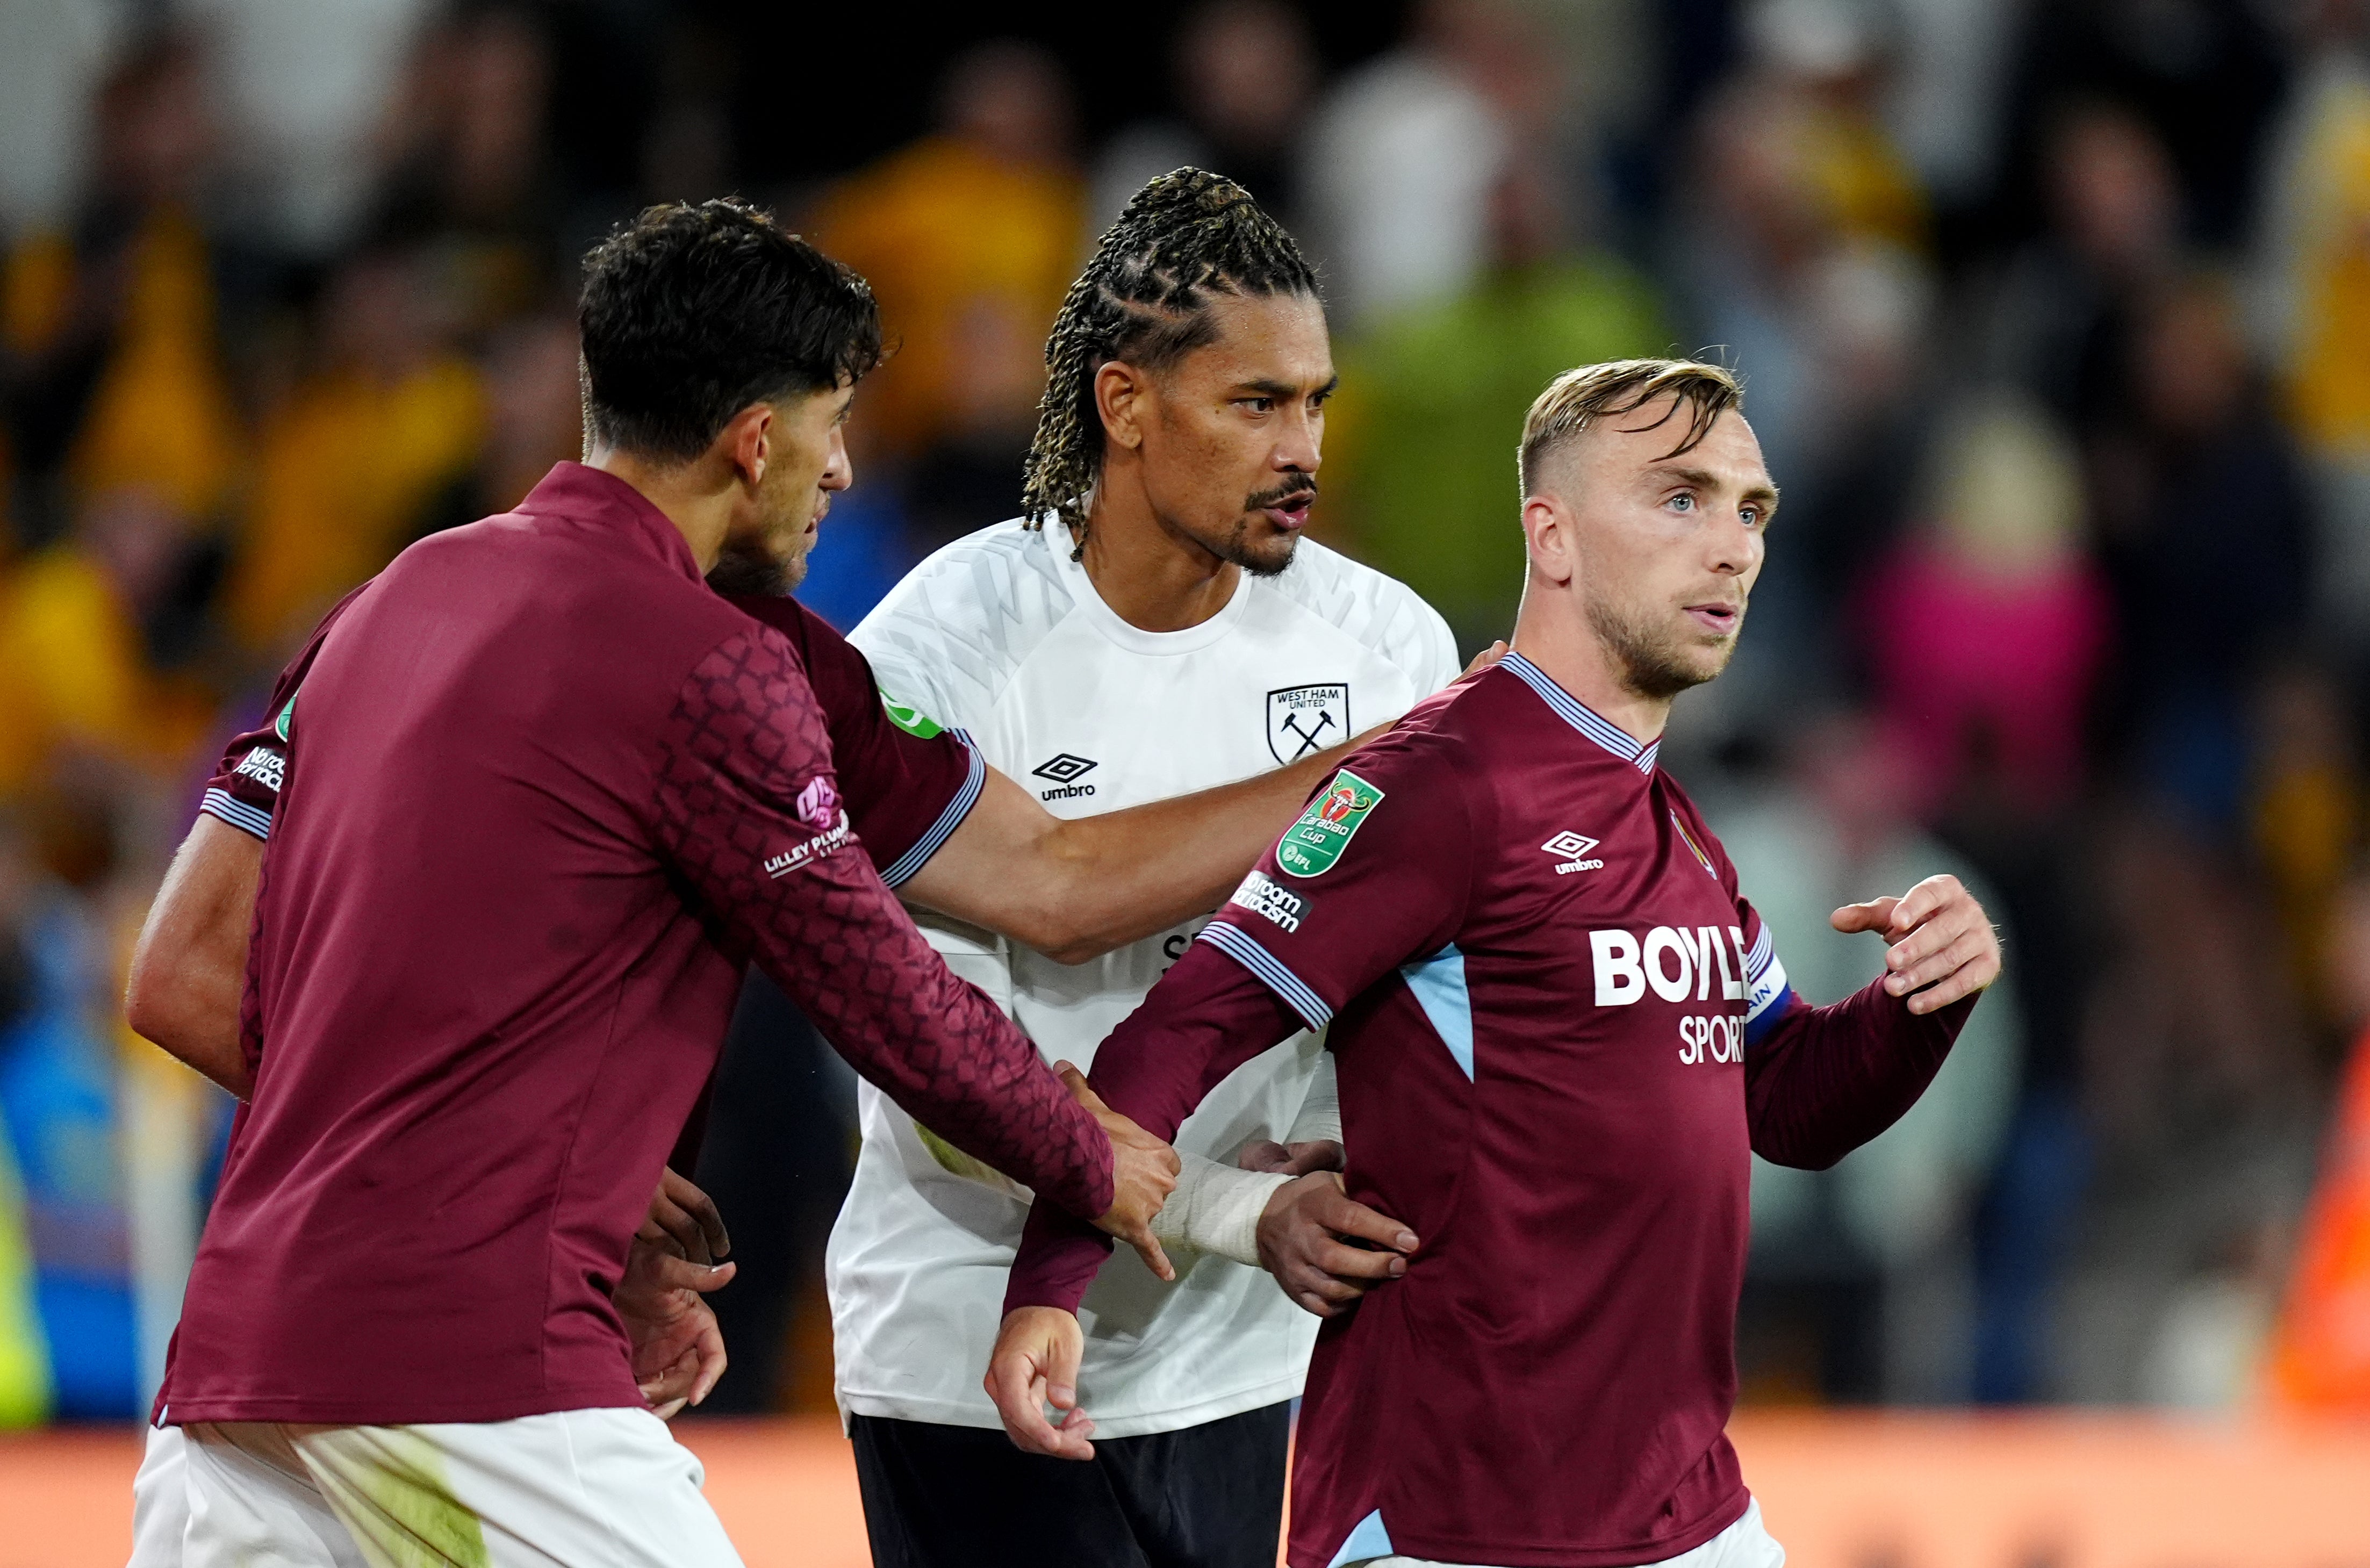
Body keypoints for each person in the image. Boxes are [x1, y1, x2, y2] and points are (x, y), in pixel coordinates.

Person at [119, 195, 1391, 1563]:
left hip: (236, 1374)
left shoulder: (386, 602)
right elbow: (884, 991)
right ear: (757, 438)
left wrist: (537, 1160)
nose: (845, 471)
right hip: (481, 1373)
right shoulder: (710, 666)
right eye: (835, 424)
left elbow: (182, 974)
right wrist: (1105, 1159)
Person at [991, 358, 2004, 1568]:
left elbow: (1782, 1097)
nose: (1732, 545)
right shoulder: (1442, 782)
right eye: (1681, 498)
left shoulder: (1677, 823)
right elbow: (1182, 1029)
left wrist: (1919, 1002)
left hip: (1694, 1519)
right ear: (1553, 535)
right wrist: (1050, 1279)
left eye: (1751, 510)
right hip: (1458, 1526)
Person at [831, 169, 1462, 1568]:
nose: (1301, 444)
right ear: (1124, 406)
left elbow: (1414, 988)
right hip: (968, 1339)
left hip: (1246, 1356)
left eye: (1316, 400)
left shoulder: (1382, 641)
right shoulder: (940, 648)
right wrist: (1248, 1210)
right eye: (1255, 403)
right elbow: (940, 1075)